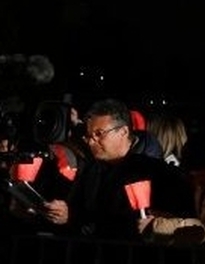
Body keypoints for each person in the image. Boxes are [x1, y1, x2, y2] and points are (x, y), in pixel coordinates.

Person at [40, 98, 195, 240]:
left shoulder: (156, 172)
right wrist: (66, 214)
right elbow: (83, 214)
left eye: (99, 134)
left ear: (123, 132)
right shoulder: (89, 170)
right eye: (89, 136)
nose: (92, 141)